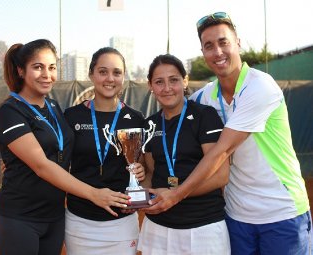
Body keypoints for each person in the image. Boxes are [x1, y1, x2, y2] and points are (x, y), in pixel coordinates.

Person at [145, 12, 312, 255]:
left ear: (238, 43)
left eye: (223, 42)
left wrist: (176, 194)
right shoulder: (203, 97)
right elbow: (175, 113)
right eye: (209, 46)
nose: (217, 52)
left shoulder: (260, 86)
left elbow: (222, 150)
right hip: (236, 215)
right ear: (203, 52)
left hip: (281, 212)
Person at [0, 39, 130, 255]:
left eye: (52, 67)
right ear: (20, 71)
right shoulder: (10, 111)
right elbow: (42, 166)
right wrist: (94, 194)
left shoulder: (53, 106)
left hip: (55, 218)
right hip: (19, 218)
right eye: (38, 67)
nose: (47, 74)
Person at [138, 54, 230, 254]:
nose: (167, 88)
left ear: (185, 81)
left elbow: (221, 176)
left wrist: (175, 194)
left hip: (202, 226)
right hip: (159, 225)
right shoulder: (150, 124)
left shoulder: (205, 116)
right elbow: (152, 173)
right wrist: (141, 192)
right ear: (150, 86)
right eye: (159, 82)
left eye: (174, 80)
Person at [63, 47, 146, 255]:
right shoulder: (72, 116)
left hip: (122, 222)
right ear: (91, 74)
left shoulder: (136, 119)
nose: (110, 78)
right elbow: (57, 165)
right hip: (79, 221)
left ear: (123, 77)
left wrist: (142, 172)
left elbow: (144, 164)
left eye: (117, 72)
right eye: (103, 71)